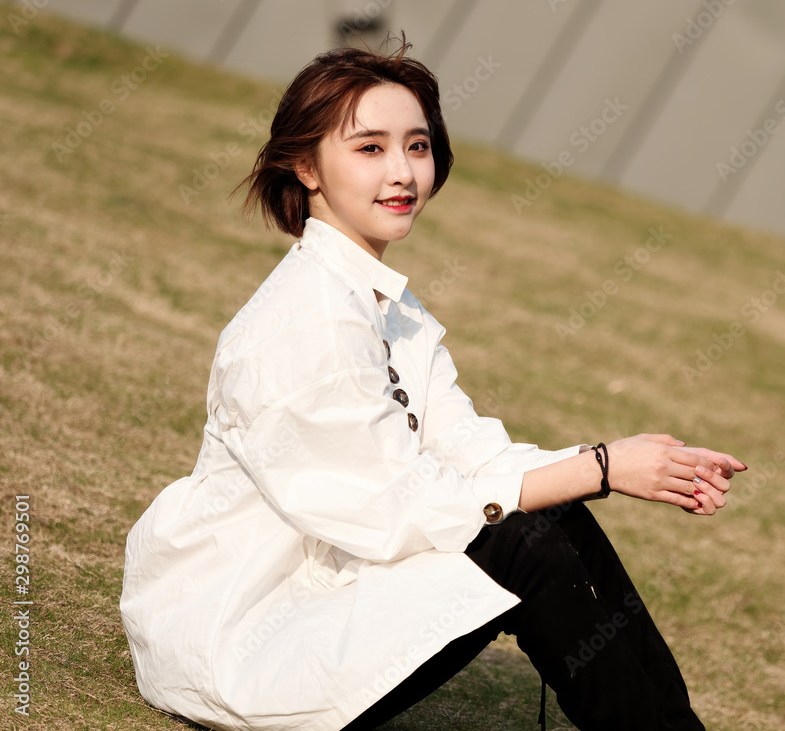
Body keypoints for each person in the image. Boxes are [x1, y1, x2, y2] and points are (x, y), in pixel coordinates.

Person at [120, 38, 746, 731]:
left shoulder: (389, 308)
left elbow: (470, 452)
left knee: (550, 512)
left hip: (329, 587)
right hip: (243, 638)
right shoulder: (308, 318)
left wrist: (613, 462)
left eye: (417, 146)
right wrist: (599, 468)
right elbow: (395, 510)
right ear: (306, 166)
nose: (403, 172)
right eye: (370, 148)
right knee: (521, 540)